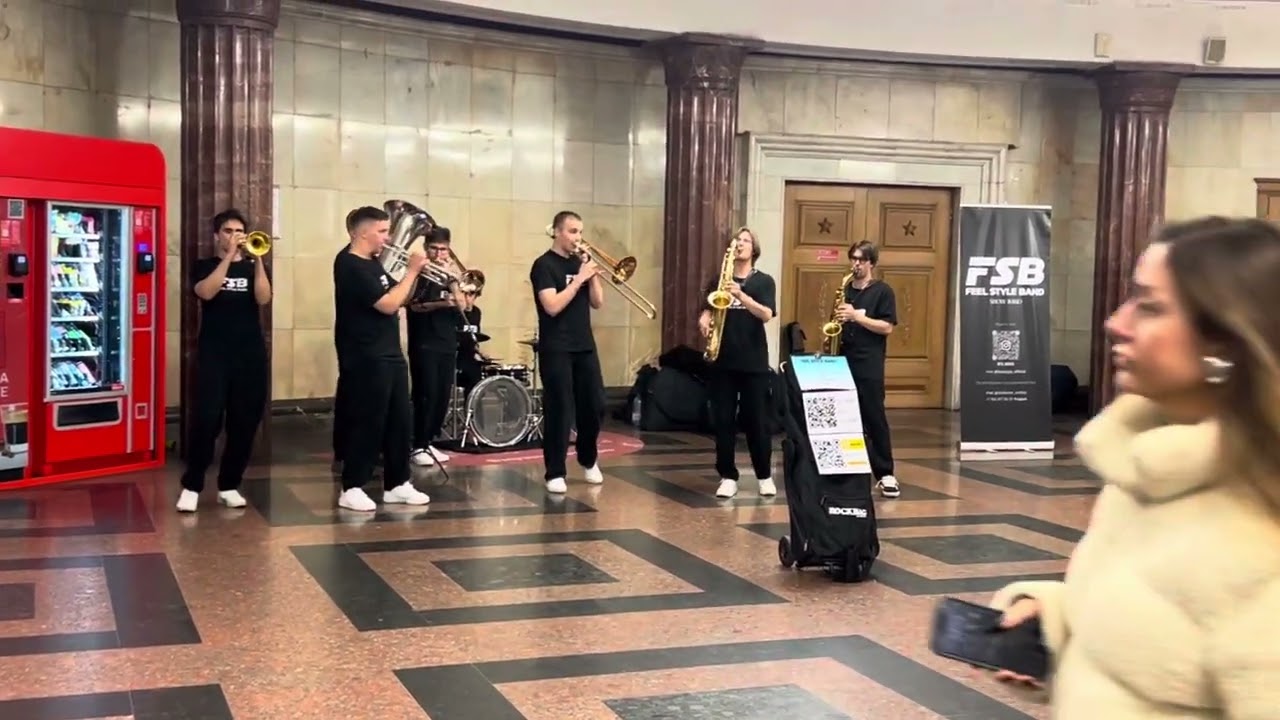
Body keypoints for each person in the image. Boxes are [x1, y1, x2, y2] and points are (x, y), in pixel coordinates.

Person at [987, 217, 1280, 717]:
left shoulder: (1261, 544)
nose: (1115, 322)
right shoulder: (1148, 474)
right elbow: (1154, 623)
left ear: (1225, 342)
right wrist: (1051, 617)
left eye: (1149, 306)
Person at [331, 205, 431, 512]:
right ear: (362, 233)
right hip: (365, 356)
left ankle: (397, 483)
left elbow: (399, 295)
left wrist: (414, 278)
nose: (388, 238)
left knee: (400, 420)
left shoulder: (374, 264)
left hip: (389, 352)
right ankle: (352, 486)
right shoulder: (349, 264)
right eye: (382, 231)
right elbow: (388, 304)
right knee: (368, 421)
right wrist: (412, 270)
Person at [177, 208, 271, 512]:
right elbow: (205, 292)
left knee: (244, 422)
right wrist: (229, 259)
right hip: (215, 353)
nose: (235, 237)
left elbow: (263, 298)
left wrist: (257, 260)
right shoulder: (204, 265)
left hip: (250, 354)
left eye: (239, 232)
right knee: (207, 420)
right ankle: (192, 485)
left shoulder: (255, 265)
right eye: (228, 231)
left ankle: (229, 484)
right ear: (217, 235)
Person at [697, 227, 777, 498]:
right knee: (723, 421)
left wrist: (741, 295)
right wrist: (704, 319)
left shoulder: (763, 281)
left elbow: (766, 314)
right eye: (737, 240)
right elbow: (707, 307)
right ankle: (728, 476)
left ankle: (764, 475)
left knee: (757, 420)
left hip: (753, 362)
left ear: (753, 250)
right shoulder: (719, 278)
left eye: (745, 241)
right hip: (723, 360)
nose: (740, 244)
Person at [530, 210, 605, 494]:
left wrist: (593, 275)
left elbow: (597, 303)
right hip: (556, 346)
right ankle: (555, 472)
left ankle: (588, 458)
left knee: (595, 405)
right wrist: (578, 280)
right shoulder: (543, 265)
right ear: (557, 232)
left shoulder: (580, 262)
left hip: (584, 344)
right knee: (560, 408)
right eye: (573, 231)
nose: (578, 238)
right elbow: (551, 306)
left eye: (580, 232)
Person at [835, 241, 900, 498]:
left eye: (861, 260)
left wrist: (857, 317)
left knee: (874, 418)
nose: (856, 264)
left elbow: (887, 327)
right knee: (845, 419)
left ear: (872, 263)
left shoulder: (883, 291)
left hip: (869, 363)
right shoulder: (846, 288)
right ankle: (848, 470)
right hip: (843, 360)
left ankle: (885, 473)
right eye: (853, 259)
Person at [406, 227, 467, 466]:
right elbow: (413, 305)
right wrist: (442, 304)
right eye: (434, 248)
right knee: (425, 394)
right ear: (426, 248)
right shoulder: (420, 274)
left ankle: (429, 441)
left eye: (443, 249)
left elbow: (464, 307)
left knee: (442, 395)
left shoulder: (449, 275)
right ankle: (417, 444)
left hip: (446, 342)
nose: (439, 253)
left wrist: (453, 282)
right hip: (424, 342)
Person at [455, 288, 485, 402]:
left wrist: (478, 351)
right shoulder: (457, 313)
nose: (467, 299)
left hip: (470, 356)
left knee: (476, 383)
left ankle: (472, 414)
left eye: (471, 295)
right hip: (457, 356)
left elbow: (475, 337)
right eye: (465, 295)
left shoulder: (477, 312)